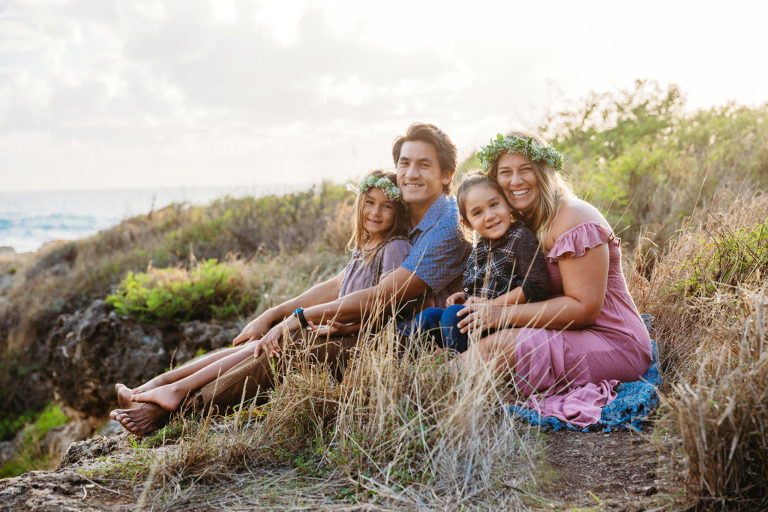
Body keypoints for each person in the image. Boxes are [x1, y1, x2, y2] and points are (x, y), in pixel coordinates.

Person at [111, 123, 472, 435]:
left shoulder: (445, 228)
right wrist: (273, 315)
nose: (410, 173)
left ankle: (168, 412)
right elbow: (344, 280)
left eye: (424, 165)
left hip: (410, 346)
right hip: (372, 329)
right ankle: (160, 386)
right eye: (404, 163)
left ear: (446, 174)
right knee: (260, 341)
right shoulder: (404, 211)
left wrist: (296, 320)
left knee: (293, 346)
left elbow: (382, 297)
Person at [456, 131, 652, 428]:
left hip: (612, 341)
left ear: (544, 170)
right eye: (505, 173)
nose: (516, 181)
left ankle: (429, 392)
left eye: (526, 169)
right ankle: (430, 382)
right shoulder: (520, 224)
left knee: (500, 346)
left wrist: (500, 314)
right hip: (565, 332)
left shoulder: (573, 218)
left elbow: (584, 310)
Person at [412, 173, 550, 353]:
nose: (490, 216)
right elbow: (482, 288)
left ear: (508, 204)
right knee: (428, 317)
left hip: (504, 322)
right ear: (467, 223)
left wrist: (490, 306)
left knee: (455, 316)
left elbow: (537, 285)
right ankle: (418, 371)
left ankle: (464, 372)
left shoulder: (521, 238)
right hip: (479, 318)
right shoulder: (481, 248)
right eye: (478, 213)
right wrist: (464, 296)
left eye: (494, 205)